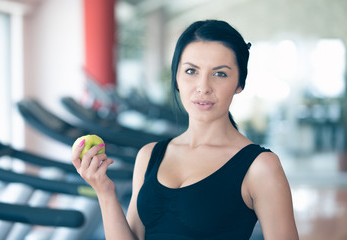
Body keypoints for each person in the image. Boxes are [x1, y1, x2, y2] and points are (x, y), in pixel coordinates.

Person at [72, 19, 299, 240]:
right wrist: (104, 191)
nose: (203, 87)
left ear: (239, 83)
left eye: (220, 73)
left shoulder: (261, 167)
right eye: (191, 71)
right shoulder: (149, 156)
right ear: (177, 78)